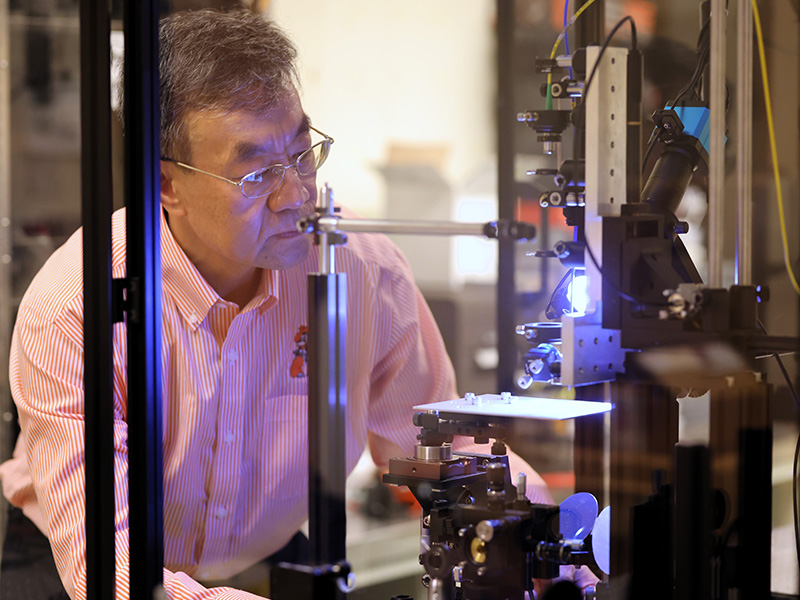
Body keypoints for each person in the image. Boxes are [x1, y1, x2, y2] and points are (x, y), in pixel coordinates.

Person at [0, 8, 567, 600]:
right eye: (256, 175)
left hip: (266, 557)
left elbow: (437, 448)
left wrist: (532, 524)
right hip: (78, 562)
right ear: (166, 185)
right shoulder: (77, 304)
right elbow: (109, 575)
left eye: (301, 155)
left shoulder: (362, 271)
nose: (297, 196)